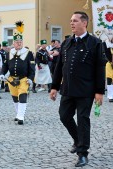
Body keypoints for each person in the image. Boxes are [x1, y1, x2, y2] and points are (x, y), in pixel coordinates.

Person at [50, 11, 107, 167]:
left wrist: (99, 92)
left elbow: (100, 69)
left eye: (75, 20)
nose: (71, 23)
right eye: (71, 20)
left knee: (83, 120)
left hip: (86, 91)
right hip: (67, 89)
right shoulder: (66, 43)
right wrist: (54, 86)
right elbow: (59, 66)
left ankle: (83, 153)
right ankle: (77, 139)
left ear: (84, 23)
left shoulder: (95, 43)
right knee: (64, 116)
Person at [0, 21, 35, 125]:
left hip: (23, 79)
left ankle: (21, 116)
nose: (19, 43)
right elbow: (5, 66)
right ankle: (18, 114)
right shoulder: (9, 53)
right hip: (11, 79)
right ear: (13, 43)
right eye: (17, 42)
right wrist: (2, 73)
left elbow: (32, 68)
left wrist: (31, 78)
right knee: (15, 97)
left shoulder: (28, 54)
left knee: (22, 95)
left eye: (20, 42)